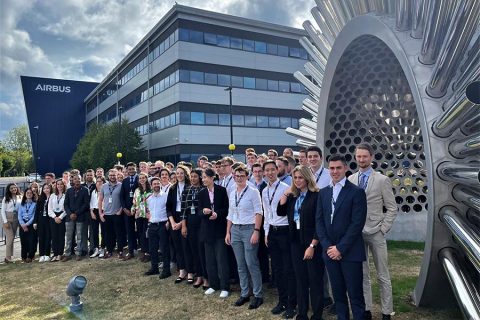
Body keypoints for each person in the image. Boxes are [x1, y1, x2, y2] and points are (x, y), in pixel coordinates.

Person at [316, 154, 367, 320]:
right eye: (331, 168)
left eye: (338, 168)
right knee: (338, 296)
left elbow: (356, 224)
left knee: (355, 295)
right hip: (330, 252)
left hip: (350, 252)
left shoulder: (357, 192)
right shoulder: (323, 193)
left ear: (345, 168)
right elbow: (320, 222)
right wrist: (328, 246)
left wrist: (340, 248)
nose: (335, 171)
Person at [349, 143, 397, 320]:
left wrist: (383, 228)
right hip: (357, 234)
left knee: (383, 274)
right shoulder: (351, 179)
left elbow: (392, 208)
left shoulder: (382, 180)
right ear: (355, 157)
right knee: (362, 274)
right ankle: (366, 309)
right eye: (359, 156)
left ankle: (386, 312)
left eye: (365, 156)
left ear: (371, 157)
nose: (361, 159)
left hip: (376, 232)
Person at [278, 165, 324, 320]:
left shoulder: (317, 195)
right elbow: (280, 212)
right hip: (296, 242)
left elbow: (320, 223)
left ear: (307, 178)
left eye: (300, 177)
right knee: (300, 279)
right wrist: (285, 194)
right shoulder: (293, 196)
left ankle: (317, 314)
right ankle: (302, 313)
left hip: (312, 243)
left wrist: (312, 245)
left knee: (314, 280)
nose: (297, 180)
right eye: (295, 177)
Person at [226, 165, 264, 309]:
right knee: (240, 265)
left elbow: (259, 212)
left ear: (247, 176)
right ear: (234, 176)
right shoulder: (232, 192)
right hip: (235, 229)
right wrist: (227, 232)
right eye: (237, 175)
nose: (239, 178)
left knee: (251, 263)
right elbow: (230, 213)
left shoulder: (253, 192)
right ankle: (245, 293)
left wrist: (256, 231)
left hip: (249, 229)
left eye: (242, 175)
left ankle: (258, 294)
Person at [262, 160, 296, 318]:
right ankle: (281, 300)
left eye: (272, 169)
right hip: (272, 233)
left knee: (288, 269)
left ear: (277, 170)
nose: (269, 172)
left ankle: (292, 303)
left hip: (284, 232)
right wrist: (266, 233)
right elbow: (267, 214)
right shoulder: (264, 191)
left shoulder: (286, 189)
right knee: (277, 269)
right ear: (264, 173)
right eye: (266, 170)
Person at [307, 145, 333, 309]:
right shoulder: (305, 174)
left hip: (325, 222)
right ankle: (321, 296)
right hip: (309, 222)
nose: (312, 159)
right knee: (315, 264)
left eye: (315, 156)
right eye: (310, 157)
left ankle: (331, 298)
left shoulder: (328, 175)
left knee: (328, 264)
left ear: (321, 157)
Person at [198, 168, 230, 297]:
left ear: (212, 178)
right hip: (207, 230)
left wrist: (217, 214)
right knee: (209, 260)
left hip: (220, 229)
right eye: (203, 177)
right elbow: (198, 211)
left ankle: (225, 287)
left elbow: (227, 208)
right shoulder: (201, 193)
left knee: (221, 259)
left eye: (205, 177)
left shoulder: (222, 191)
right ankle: (213, 285)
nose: (203, 179)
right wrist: (204, 212)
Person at [181, 169, 206, 285]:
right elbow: (183, 210)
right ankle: (199, 276)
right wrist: (184, 226)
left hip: (201, 223)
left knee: (202, 251)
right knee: (194, 251)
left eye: (195, 176)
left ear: (200, 177)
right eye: (191, 176)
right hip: (190, 223)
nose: (193, 178)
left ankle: (206, 277)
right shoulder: (186, 190)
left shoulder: (204, 190)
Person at [167, 165, 191, 283]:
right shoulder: (172, 188)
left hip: (186, 218)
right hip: (174, 218)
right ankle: (182, 270)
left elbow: (191, 208)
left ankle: (190, 271)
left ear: (186, 174)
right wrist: (172, 222)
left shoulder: (190, 187)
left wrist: (181, 223)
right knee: (178, 247)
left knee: (187, 247)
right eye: (177, 173)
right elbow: (168, 207)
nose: (179, 175)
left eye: (182, 173)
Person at [144, 177, 172, 279]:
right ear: (151, 186)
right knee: (152, 248)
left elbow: (170, 210)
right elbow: (146, 210)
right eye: (154, 184)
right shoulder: (148, 197)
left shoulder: (166, 196)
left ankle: (166, 270)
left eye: (157, 183)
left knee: (164, 249)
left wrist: (169, 221)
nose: (156, 185)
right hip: (152, 225)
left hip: (163, 225)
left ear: (160, 184)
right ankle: (154, 268)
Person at [63, 174, 90, 261]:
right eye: (75, 179)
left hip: (80, 216)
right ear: (72, 180)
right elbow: (65, 204)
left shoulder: (85, 190)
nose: (77, 180)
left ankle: (79, 253)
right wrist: (70, 214)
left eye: (79, 179)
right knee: (69, 236)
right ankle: (67, 254)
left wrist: (76, 213)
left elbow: (86, 204)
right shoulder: (69, 190)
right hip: (69, 217)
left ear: (81, 179)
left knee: (80, 236)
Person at [98, 169, 123, 259]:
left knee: (119, 233)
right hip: (107, 214)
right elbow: (100, 200)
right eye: (111, 175)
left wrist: (120, 210)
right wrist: (100, 213)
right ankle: (109, 250)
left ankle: (120, 250)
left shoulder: (121, 185)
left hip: (117, 214)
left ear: (117, 175)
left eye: (114, 175)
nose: (112, 177)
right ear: (108, 176)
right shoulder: (104, 186)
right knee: (108, 234)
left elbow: (123, 200)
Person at [251, 162, 269, 283]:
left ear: (263, 172)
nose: (257, 174)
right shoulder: (250, 187)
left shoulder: (266, 187)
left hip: (264, 223)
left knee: (263, 251)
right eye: (255, 171)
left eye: (259, 171)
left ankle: (265, 276)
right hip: (252, 222)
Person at [131, 172, 152, 262]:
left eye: (143, 178)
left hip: (148, 215)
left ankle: (148, 253)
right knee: (140, 234)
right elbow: (134, 202)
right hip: (139, 215)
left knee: (146, 234)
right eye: (140, 178)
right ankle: (143, 252)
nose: (142, 179)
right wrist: (132, 209)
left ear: (146, 179)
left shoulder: (151, 190)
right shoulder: (137, 190)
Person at [120, 162, 139, 260]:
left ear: (136, 168)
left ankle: (143, 251)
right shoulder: (125, 181)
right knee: (130, 231)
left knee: (140, 231)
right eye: (129, 169)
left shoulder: (141, 179)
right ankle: (131, 251)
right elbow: (121, 196)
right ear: (127, 170)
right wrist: (124, 208)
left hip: (139, 210)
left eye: (133, 168)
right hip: (127, 210)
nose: (131, 170)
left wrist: (137, 208)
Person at [1, 183, 21, 263]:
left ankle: (9, 257)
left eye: (15, 188)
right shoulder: (6, 198)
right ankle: (7, 257)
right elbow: (2, 210)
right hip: (7, 218)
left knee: (12, 238)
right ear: (9, 190)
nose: (13, 189)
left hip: (16, 218)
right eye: (11, 188)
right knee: (10, 237)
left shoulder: (20, 197)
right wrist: (5, 221)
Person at [49, 179, 67, 262]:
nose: (59, 186)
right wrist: (54, 217)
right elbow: (49, 208)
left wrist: (60, 217)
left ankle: (60, 253)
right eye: (58, 184)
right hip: (53, 217)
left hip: (62, 217)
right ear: (56, 186)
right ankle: (55, 254)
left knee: (61, 236)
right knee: (54, 236)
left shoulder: (66, 195)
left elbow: (67, 208)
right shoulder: (52, 195)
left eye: (61, 184)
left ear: (64, 185)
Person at [34, 184, 53, 262]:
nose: (46, 190)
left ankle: (47, 254)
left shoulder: (53, 197)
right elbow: (37, 211)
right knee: (41, 237)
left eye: (48, 188)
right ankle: (42, 254)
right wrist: (35, 222)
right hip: (41, 220)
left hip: (49, 219)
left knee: (48, 237)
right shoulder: (40, 198)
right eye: (44, 188)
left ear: (50, 189)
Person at [18, 188, 37, 263]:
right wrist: (22, 224)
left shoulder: (35, 204)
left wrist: (27, 224)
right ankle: (23, 256)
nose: (29, 194)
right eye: (27, 193)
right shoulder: (21, 204)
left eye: (30, 193)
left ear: (32, 195)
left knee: (32, 240)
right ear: (25, 194)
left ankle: (30, 256)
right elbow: (19, 215)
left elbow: (34, 216)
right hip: (22, 224)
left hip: (31, 224)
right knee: (23, 241)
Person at [89, 178, 105, 258]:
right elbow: (91, 203)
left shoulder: (106, 191)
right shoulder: (93, 192)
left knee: (103, 231)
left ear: (103, 183)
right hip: (94, 212)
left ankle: (102, 248)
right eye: (97, 182)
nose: (98, 183)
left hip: (103, 212)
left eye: (100, 182)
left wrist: (102, 213)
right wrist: (92, 212)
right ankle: (96, 249)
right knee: (95, 231)